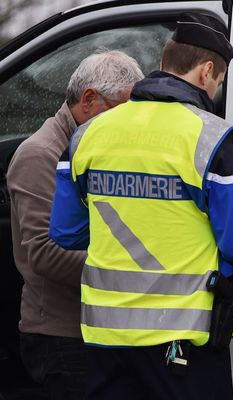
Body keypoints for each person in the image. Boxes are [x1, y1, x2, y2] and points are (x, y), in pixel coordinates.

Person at [49, 13, 233, 400]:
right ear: (206, 72)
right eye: (218, 81)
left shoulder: (86, 135)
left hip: (106, 339)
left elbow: (66, 233)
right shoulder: (214, 139)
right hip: (181, 342)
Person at [6, 50, 143, 400]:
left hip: (97, 327)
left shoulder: (96, 147)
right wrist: (133, 270)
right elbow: (45, 254)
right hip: (62, 337)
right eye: (123, 111)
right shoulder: (40, 154)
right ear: (89, 100)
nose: (132, 123)